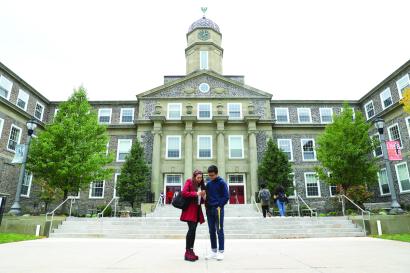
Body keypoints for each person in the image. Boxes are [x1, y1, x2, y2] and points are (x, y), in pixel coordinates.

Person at [180, 170, 206, 262]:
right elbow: (184, 193)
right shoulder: (189, 182)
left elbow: (200, 200)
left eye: (201, 177)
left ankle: (191, 250)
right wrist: (196, 193)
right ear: (194, 177)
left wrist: (203, 197)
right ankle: (187, 252)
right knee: (191, 229)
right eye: (198, 177)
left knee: (193, 230)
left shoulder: (201, 185)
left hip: (197, 210)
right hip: (189, 210)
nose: (200, 179)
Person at [205, 165, 230, 261]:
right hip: (209, 210)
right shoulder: (209, 184)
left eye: (212, 175)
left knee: (219, 230)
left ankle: (221, 252)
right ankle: (213, 251)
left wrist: (220, 206)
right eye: (209, 175)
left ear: (216, 173)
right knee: (211, 230)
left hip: (218, 209)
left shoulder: (222, 183)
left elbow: (226, 196)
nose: (210, 177)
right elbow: (206, 196)